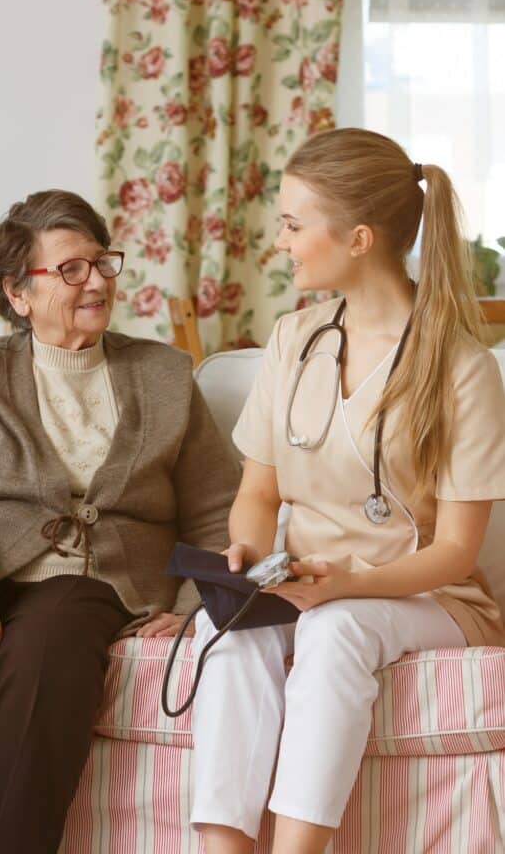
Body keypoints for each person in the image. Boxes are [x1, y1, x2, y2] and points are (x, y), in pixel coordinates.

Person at [0, 189, 239, 854]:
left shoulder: (165, 374)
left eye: (101, 264)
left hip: (90, 581)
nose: (95, 282)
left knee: (44, 654)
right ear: (18, 292)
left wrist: (194, 602)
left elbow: (218, 514)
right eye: (70, 270)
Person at [190, 128, 505, 854]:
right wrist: (243, 553)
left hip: (427, 596)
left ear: (359, 238)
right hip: (303, 580)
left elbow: (457, 551)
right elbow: (258, 494)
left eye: (294, 224)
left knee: (339, 628)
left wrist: (353, 583)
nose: (279, 241)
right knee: (226, 631)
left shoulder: (461, 367)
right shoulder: (294, 339)